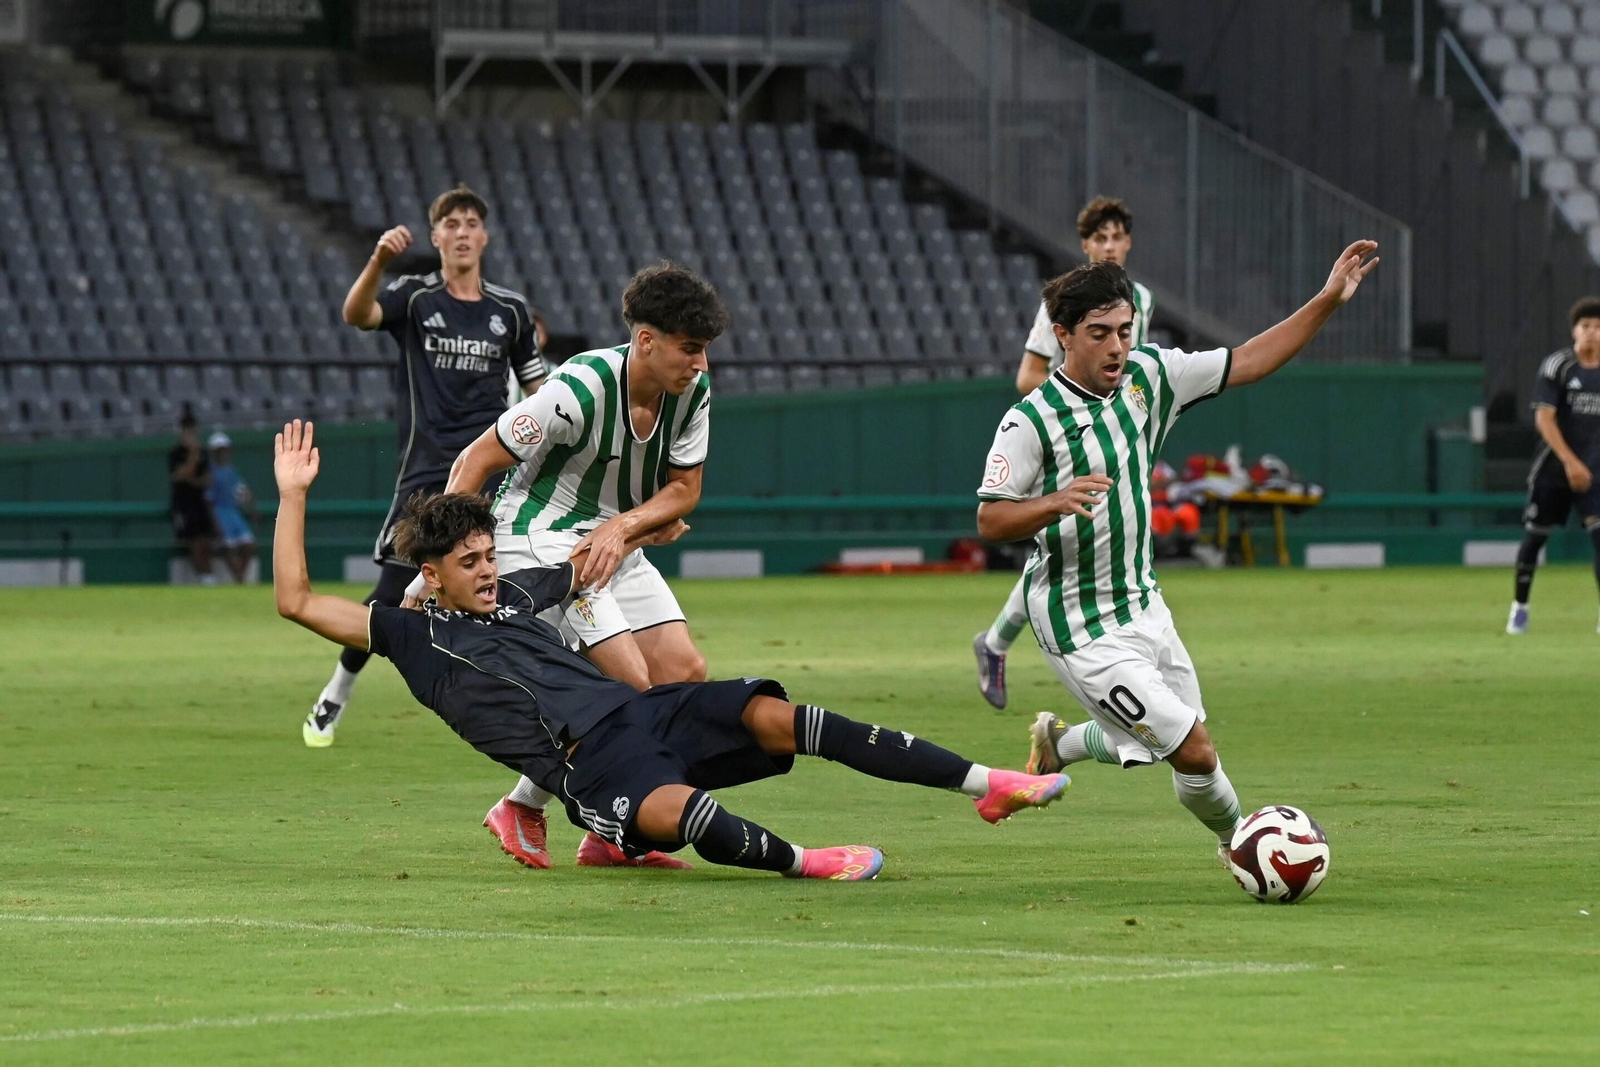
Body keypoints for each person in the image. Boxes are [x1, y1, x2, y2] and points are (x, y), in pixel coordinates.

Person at [270, 419, 1071, 880]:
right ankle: (808, 861)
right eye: (471, 563)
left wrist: (651, 524)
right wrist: (293, 496)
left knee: (780, 714)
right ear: (432, 573)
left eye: (490, 555)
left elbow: (589, 560)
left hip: (648, 714)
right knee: (683, 815)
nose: (489, 572)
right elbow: (295, 600)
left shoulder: (518, 591)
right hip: (593, 767)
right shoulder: (411, 634)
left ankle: (988, 782)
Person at [975, 242, 1378, 865]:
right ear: (1063, 336)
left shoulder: (1150, 375)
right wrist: (1051, 501)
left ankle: (1060, 744)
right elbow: (990, 518)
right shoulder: (1030, 422)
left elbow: (1249, 361)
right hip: (1079, 624)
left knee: (1161, 741)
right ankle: (1246, 848)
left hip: (1145, 604)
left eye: (1125, 331)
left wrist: (1326, 301)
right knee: (1193, 748)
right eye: (1100, 333)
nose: (1117, 347)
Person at [416, 261, 722, 870]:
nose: (701, 364)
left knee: (684, 675)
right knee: (631, 688)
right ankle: (545, 808)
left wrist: (627, 524)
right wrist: (441, 567)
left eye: (705, 351)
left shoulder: (692, 392)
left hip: (612, 539)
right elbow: (474, 463)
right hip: (540, 538)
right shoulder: (576, 388)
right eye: (689, 350)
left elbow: (685, 488)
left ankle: (594, 834)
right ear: (645, 341)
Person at [303, 183, 547, 748]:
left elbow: (538, 389)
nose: (462, 233)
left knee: (501, 588)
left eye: (471, 223)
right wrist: (379, 261)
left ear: (484, 236)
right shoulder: (415, 298)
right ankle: (338, 690)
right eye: (451, 224)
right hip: (425, 476)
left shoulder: (509, 311)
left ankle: (519, 704)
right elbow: (357, 313)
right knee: (390, 597)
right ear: (436, 237)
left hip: (491, 472)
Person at [975, 196, 1156, 708]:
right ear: (1085, 245)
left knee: (1087, 541)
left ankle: (995, 643)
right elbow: (1028, 376)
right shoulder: (1067, 302)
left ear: (1129, 242)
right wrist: (1067, 414)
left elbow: (1130, 369)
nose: (1110, 246)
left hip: (1116, 435)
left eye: (1117, 237)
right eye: (1100, 238)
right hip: (1067, 438)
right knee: (1062, 542)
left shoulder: (1140, 297)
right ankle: (997, 643)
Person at [1507, 297, 1600, 635]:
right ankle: (1520, 608)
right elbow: (1544, 420)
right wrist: (1571, 463)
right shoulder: (1558, 365)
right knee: (1535, 539)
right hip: (1554, 469)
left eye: (1598, 327)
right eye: (1586, 326)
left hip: (1596, 473)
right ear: (1574, 330)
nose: (1592, 333)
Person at [168, 410, 217, 585]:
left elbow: (206, 479)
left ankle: (209, 576)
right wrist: (193, 456)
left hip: (200, 501)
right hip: (184, 503)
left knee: (206, 540)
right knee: (194, 541)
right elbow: (180, 475)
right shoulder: (176, 453)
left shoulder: (203, 453)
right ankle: (205, 578)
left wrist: (194, 480)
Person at [206, 431, 258, 583]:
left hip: (234, 513)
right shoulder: (211, 473)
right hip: (220, 513)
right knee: (229, 547)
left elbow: (243, 491)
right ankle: (238, 578)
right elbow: (209, 500)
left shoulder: (231, 471)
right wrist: (215, 522)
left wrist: (252, 507)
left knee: (248, 545)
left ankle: (239, 578)